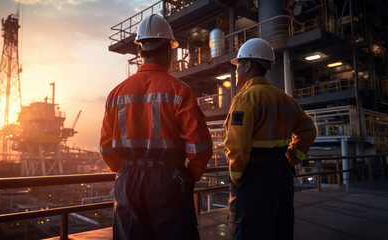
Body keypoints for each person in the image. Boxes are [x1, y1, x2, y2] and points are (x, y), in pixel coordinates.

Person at [99, 14, 213, 240]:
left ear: (140, 50)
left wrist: (125, 171)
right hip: (168, 180)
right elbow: (200, 148)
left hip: (127, 181)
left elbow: (106, 148)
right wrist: (188, 176)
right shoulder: (180, 91)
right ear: (168, 51)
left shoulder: (116, 94)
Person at [224, 38, 317, 240]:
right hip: (281, 173)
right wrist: (291, 158)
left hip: (253, 176)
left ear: (248, 65)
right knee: (280, 228)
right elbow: (309, 130)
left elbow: (238, 147)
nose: (236, 70)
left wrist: (236, 176)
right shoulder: (286, 99)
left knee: (249, 230)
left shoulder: (244, 99)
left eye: (238, 65)